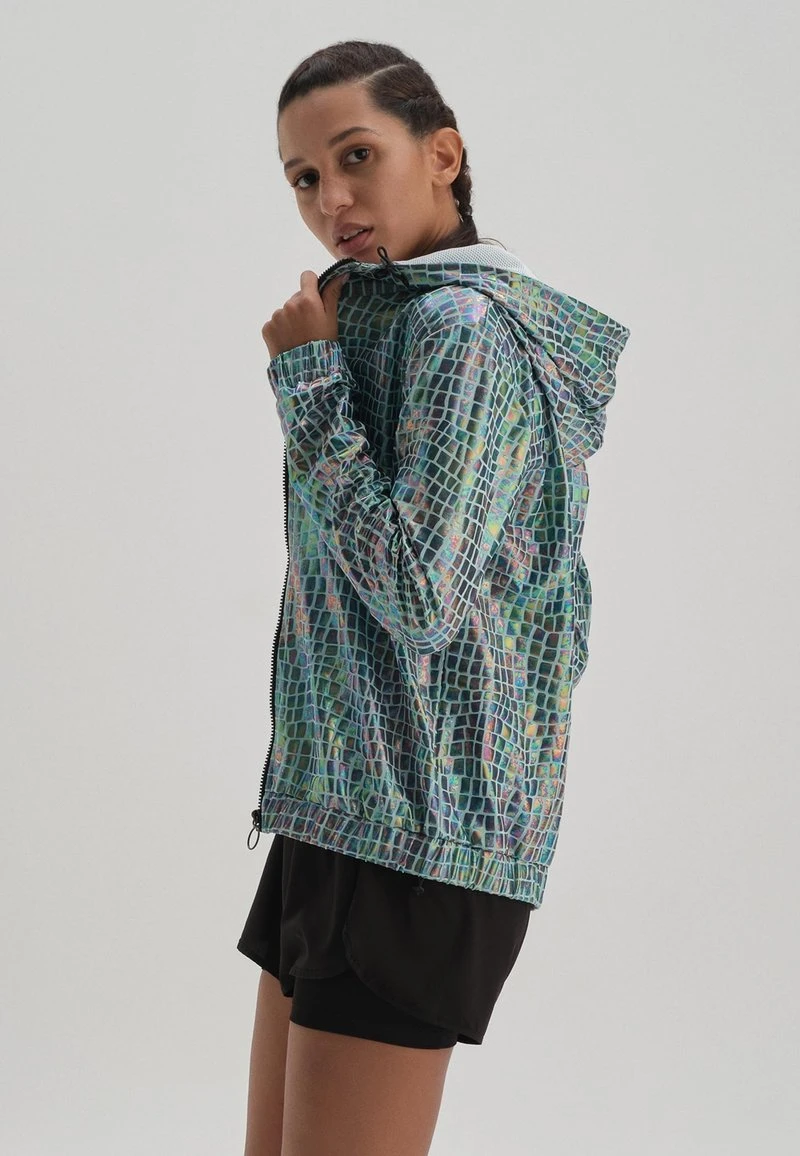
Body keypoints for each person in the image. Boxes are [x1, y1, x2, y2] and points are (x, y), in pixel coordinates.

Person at [238, 39, 631, 1156]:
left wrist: (307, 383)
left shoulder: (463, 331)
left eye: (356, 156)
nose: (331, 199)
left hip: (423, 832)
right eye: (304, 176)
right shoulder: (379, 313)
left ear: (443, 155)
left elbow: (420, 597)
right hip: (337, 806)